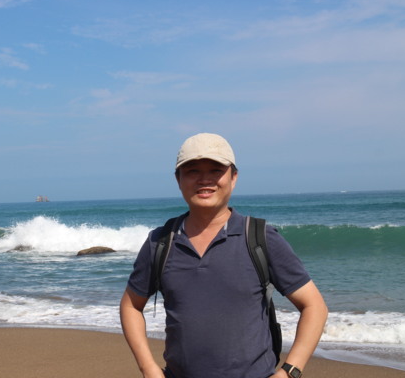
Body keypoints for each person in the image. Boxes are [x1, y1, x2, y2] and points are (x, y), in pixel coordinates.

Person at [120, 133, 328, 378]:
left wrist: (289, 372)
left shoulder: (260, 238)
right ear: (178, 179)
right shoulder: (160, 242)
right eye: (193, 171)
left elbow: (314, 306)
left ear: (233, 177)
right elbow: (131, 305)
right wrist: (148, 368)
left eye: (216, 170)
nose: (204, 180)